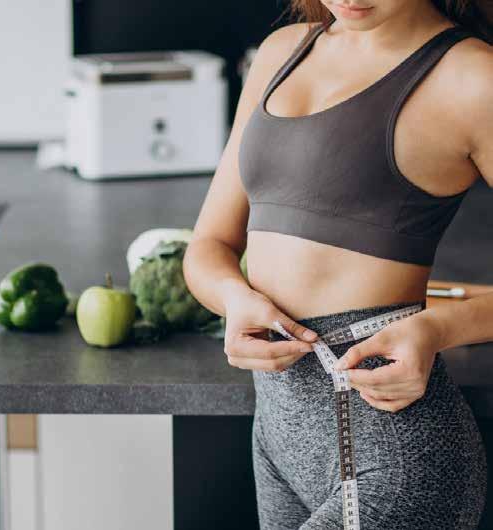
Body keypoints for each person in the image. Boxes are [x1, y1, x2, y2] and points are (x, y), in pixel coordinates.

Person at [183, 1, 493, 528]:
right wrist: (233, 300)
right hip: (278, 443)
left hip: (395, 461)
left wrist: (438, 329)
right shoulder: (282, 52)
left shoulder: (472, 78)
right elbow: (208, 245)